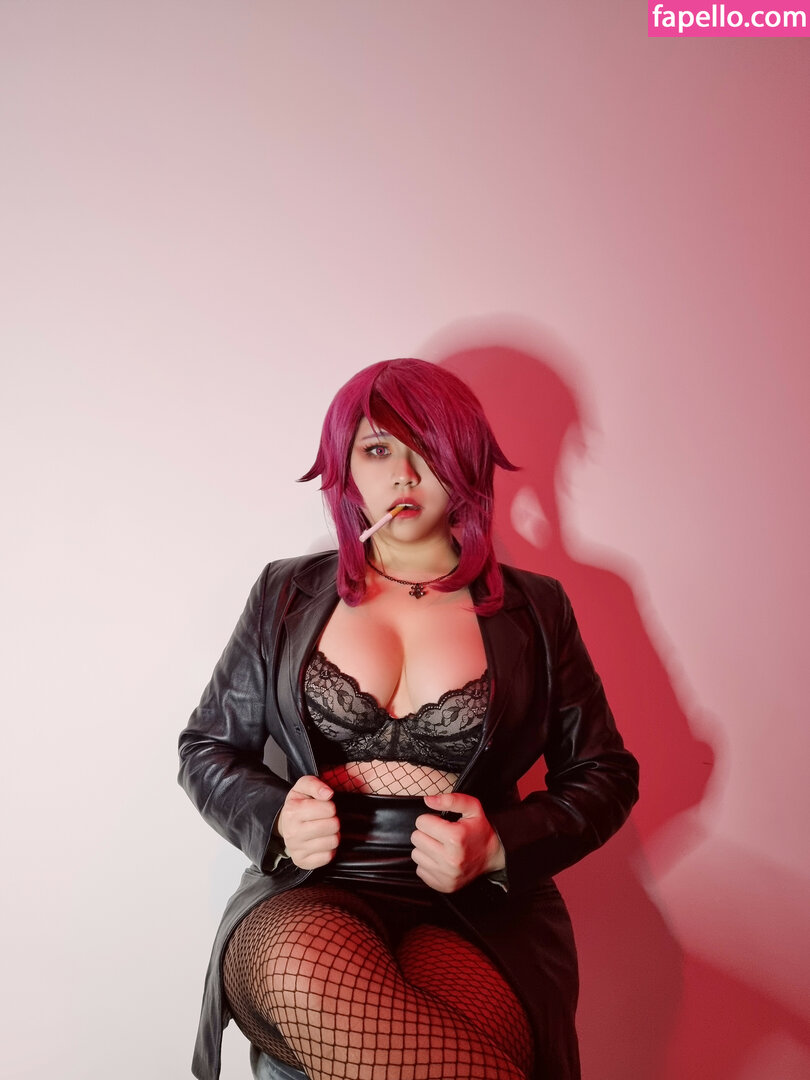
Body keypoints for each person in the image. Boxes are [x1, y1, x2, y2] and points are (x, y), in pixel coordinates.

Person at [178, 358, 639, 1080]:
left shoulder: (537, 608)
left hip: (475, 909)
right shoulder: (285, 594)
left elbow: (604, 772)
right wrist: (275, 819)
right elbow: (207, 747)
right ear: (345, 469)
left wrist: (499, 846)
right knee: (304, 971)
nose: (403, 474)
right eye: (377, 449)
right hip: (309, 892)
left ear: (465, 461)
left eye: (427, 448)